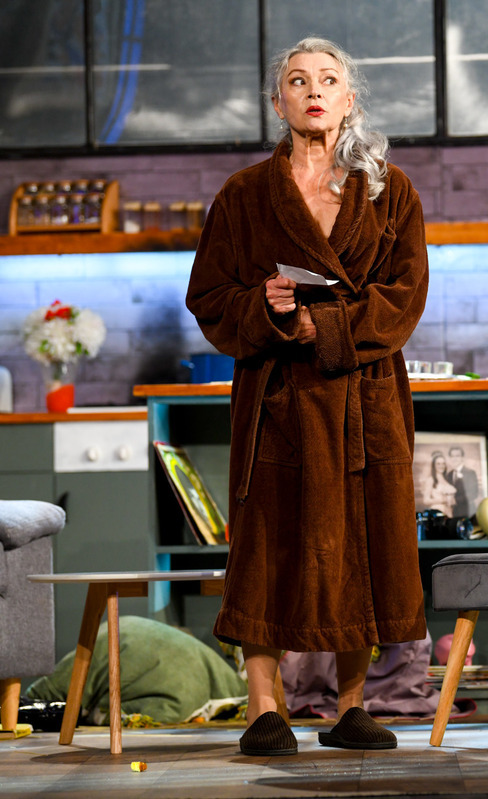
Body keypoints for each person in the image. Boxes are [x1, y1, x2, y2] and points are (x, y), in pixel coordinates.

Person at [185, 37, 429, 756]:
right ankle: (267, 706)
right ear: (277, 103)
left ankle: (351, 706)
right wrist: (263, 306)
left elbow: (405, 296)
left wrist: (324, 325)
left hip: (364, 397)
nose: (313, 90)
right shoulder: (243, 195)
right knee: (269, 546)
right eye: (297, 81)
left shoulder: (390, 189)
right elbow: (209, 296)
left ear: (349, 99)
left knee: (363, 542)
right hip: (278, 399)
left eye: (327, 80)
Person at [445, 444, 479, 516]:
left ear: (462, 457)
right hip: (452, 512)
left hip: (467, 511)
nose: (454, 458)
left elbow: (473, 494)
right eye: (452, 456)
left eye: (457, 456)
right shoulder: (449, 475)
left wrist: (455, 500)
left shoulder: (470, 473)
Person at [425, 451, 458, 515]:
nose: (441, 466)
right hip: (437, 512)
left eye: (443, 463)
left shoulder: (447, 479)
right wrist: (443, 500)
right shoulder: (431, 479)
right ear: (434, 465)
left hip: (449, 512)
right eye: (438, 464)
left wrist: (452, 500)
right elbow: (426, 500)